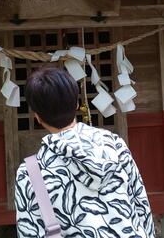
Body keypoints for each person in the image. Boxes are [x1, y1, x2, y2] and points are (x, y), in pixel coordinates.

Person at [15, 66, 155, 238]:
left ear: (37, 117)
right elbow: (141, 206)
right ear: (76, 104)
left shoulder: (30, 172)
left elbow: (29, 231)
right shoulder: (114, 145)